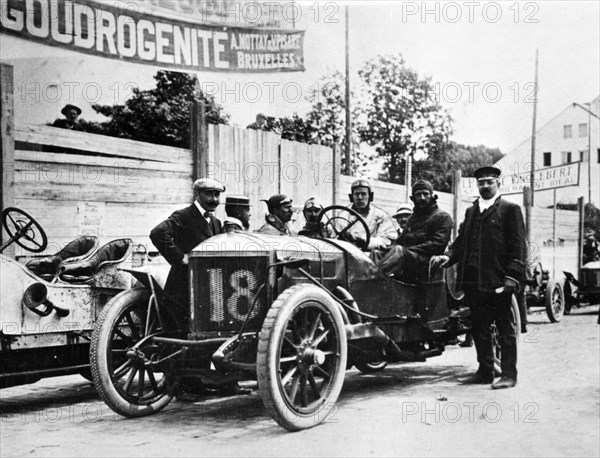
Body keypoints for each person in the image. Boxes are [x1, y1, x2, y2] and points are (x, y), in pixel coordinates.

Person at [430, 166, 526, 389]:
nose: (484, 186)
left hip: (498, 280)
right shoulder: (472, 211)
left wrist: (512, 276)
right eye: (481, 182)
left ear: (498, 184)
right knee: (479, 327)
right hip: (473, 281)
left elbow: (518, 246)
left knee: (504, 328)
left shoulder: (510, 209)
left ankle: (509, 375)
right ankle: (485, 371)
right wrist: (447, 257)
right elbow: (461, 243)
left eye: (489, 182)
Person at [150, 178, 225, 305]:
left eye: (217, 194)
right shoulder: (184, 216)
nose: (214, 200)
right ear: (196, 194)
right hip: (183, 288)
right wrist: (180, 257)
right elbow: (158, 233)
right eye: (208, 194)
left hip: (206, 289)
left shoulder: (216, 223)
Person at [377, 180, 452, 282]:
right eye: (418, 195)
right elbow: (400, 241)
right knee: (377, 253)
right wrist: (388, 248)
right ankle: (365, 278)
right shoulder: (413, 218)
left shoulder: (442, 216)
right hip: (408, 257)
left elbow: (437, 244)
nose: (422, 198)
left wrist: (408, 250)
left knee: (399, 251)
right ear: (413, 198)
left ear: (432, 196)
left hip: (426, 261)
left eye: (426, 194)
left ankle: (372, 279)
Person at [338, 179, 397, 250]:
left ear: (370, 196)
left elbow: (387, 240)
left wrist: (363, 241)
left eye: (363, 194)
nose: (359, 198)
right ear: (351, 197)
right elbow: (335, 236)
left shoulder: (380, 216)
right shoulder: (343, 215)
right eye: (356, 194)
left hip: (371, 255)